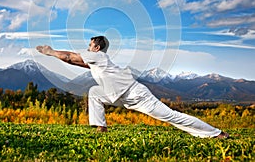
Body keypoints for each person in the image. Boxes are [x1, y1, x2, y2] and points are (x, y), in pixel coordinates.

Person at [36, 35, 229, 138]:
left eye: (90, 44)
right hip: (120, 96)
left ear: (97, 47)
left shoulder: (97, 56)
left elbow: (70, 56)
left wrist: (50, 51)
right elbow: (74, 62)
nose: (87, 47)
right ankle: (101, 128)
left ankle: (216, 133)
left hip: (137, 95)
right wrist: (54, 55)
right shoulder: (96, 60)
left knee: (172, 116)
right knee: (94, 92)